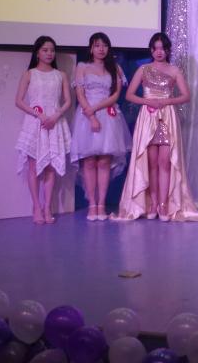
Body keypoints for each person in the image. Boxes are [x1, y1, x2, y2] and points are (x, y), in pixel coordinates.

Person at [115, 32, 198, 222]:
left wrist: (166, 101)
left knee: (165, 162)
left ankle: (164, 204)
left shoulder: (174, 70)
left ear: (168, 50)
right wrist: (148, 101)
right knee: (151, 163)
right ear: (151, 50)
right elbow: (129, 95)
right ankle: (153, 203)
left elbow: (186, 96)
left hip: (167, 117)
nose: (159, 52)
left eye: (162, 48)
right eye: (155, 48)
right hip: (148, 117)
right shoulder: (143, 69)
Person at [70, 32, 131, 221]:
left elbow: (115, 96)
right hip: (86, 116)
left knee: (104, 161)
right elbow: (80, 93)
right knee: (89, 161)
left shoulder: (115, 68)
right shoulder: (82, 66)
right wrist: (90, 115)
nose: (101, 49)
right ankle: (92, 205)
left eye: (104, 45)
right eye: (97, 45)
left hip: (108, 115)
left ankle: (102, 205)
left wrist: (96, 109)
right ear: (91, 48)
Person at [14, 35, 72, 224]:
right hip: (35, 123)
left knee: (50, 167)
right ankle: (36, 207)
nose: (49, 53)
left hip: (55, 123)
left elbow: (67, 101)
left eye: (52, 50)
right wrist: (38, 115)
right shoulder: (29, 74)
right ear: (37, 53)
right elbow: (19, 101)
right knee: (33, 167)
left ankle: (47, 207)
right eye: (45, 50)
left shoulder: (60, 75)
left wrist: (55, 115)